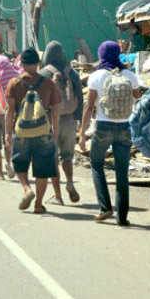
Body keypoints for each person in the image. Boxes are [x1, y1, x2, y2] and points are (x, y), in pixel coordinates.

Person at [79, 41, 141, 226]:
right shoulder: (130, 75)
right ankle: (122, 217)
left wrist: (82, 133)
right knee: (122, 171)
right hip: (125, 127)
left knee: (97, 164)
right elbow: (138, 98)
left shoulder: (96, 76)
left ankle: (105, 208)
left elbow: (89, 106)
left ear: (101, 55)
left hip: (103, 126)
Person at [5, 47, 61, 214]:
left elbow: (9, 112)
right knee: (43, 168)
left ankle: (26, 188)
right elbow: (56, 107)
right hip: (43, 131)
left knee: (20, 163)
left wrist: (7, 133)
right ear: (38, 63)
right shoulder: (48, 83)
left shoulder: (14, 83)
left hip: (21, 131)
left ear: (21, 64)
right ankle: (38, 204)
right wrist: (55, 127)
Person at [39, 41, 83, 205]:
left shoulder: (43, 74)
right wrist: (78, 119)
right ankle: (70, 183)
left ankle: (58, 196)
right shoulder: (72, 73)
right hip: (70, 120)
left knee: (53, 159)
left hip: (51, 122)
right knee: (67, 157)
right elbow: (80, 97)